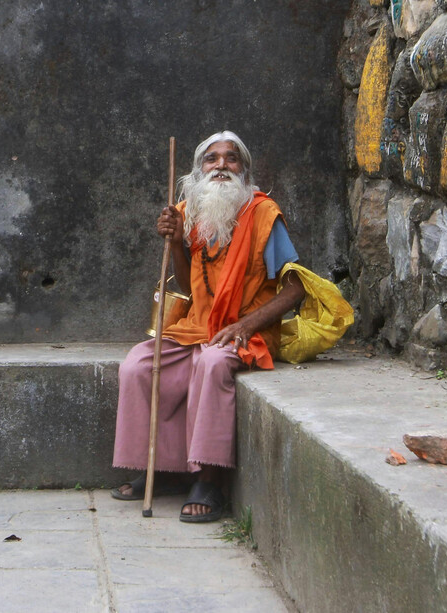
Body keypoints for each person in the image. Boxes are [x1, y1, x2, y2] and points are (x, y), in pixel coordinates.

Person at [111, 131, 305, 522]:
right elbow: (187, 285)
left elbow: (296, 288)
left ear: (245, 171)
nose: (221, 165)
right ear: (199, 172)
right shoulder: (189, 213)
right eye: (211, 159)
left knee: (212, 365)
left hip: (246, 330)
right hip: (197, 326)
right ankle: (163, 471)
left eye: (231, 159)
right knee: (137, 365)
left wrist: (247, 324)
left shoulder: (264, 214)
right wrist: (177, 243)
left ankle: (208, 479)